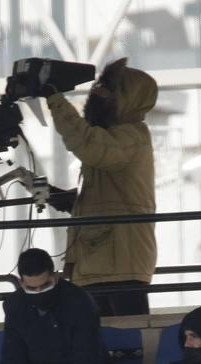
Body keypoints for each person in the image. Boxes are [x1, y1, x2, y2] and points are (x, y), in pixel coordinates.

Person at [46, 58, 158, 317]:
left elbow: (89, 145)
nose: (97, 91)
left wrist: (54, 99)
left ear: (128, 98)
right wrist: (68, 200)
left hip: (119, 262)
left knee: (129, 342)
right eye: (98, 84)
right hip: (101, 261)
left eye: (107, 87)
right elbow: (109, 196)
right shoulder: (116, 138)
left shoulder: (132, 136)